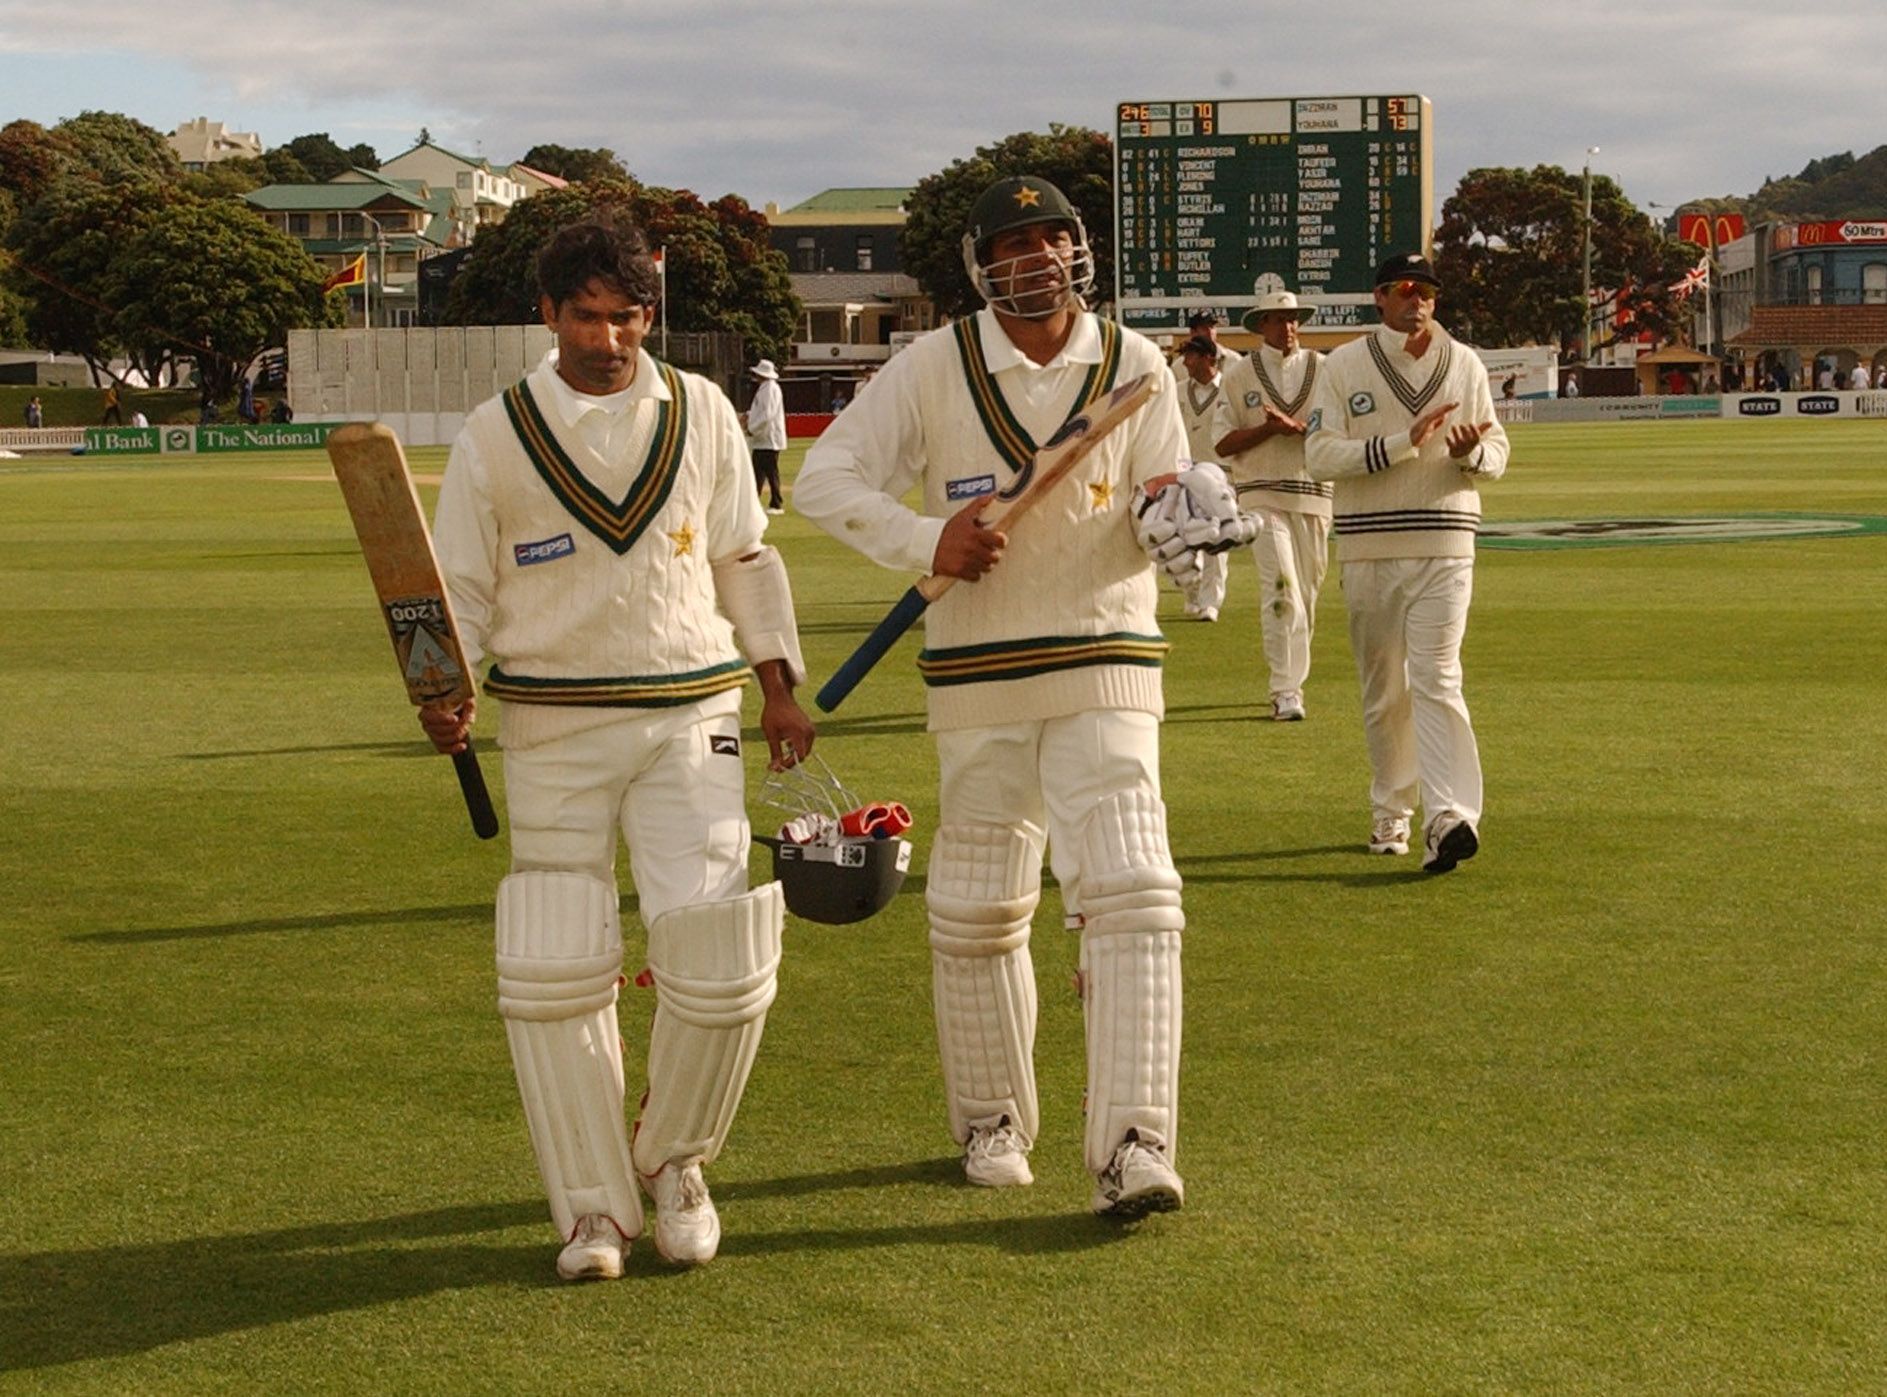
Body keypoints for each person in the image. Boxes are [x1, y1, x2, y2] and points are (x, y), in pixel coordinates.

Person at [796, 174, 1205, 1219]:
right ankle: (991, 1118)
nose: (1035, 261)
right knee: (978, 910)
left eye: (1052, 239)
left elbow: (1168, 500)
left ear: (1080, 250)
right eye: (1012, 245)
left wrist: (1188, 532)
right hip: (976, 677)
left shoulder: (1136, 362)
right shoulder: (932, 365)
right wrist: (929, 537)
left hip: (1107, 658)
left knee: (1132, 892)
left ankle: (1135, 1142)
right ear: (981, 266)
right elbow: (825, 478)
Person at [424, 215, 817, 1280]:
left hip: (694, 710)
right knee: (557, 963)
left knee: (722, 954)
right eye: (586, 315)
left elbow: (745, 554)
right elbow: (457, 581)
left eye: (626, 315)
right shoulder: (494, 433)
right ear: (546, 315)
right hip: (550, 720)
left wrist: (779, 685)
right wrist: (444, 684)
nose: (607, 336)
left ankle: (678, 1160)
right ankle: (593, 1209)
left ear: (655, 313)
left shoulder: (703, 412)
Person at [1305, 252, 1509, 874]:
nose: (1416, 299)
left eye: (1426, 290)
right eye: (1403, 289)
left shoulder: (1465, 363)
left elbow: (1498, 449)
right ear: (1380, 298)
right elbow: (1319, 455)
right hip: (1369, 545)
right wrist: (1402, 443)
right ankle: (1391, 806)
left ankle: (1449, 816)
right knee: (1384, 689)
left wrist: (1474, 455)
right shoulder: (1341, 365)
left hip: (1447, 541)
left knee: (1438, 677)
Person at [1213, 287, 1329, 723]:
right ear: (1262, 325)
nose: (1289, 327)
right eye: (1279, 320)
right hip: (1260, 493)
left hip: (1314, 495)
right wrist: (1268, 430)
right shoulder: (1240, 375)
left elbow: (1336, 432)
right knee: (1282, 589)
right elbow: (1223, 442)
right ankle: (1284, 689)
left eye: (1295, 318)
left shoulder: (1324, 369)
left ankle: (1293, 679)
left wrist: (1293, 428)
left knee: (1307, 597)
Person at [1172, 334, 1230, 622]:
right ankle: (1193, 594)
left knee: (1216, 539)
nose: (1185, 361)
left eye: (1191, 355)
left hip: (1221, 474)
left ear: (1209, 358)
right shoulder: (1179, 390)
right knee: (1186, 539)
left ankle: (1211, 602)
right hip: (1187, 472)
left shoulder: (1229, 390)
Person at [739, 358, 786, 514]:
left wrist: (752, 428)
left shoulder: (770, 389)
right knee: (759, 471)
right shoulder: (765, 389)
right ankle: (754, 503)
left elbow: (767, 415)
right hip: (763, 439)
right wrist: (748, 415)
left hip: (768, 438)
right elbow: (761, 412)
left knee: (769, 472)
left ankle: (776, 504)